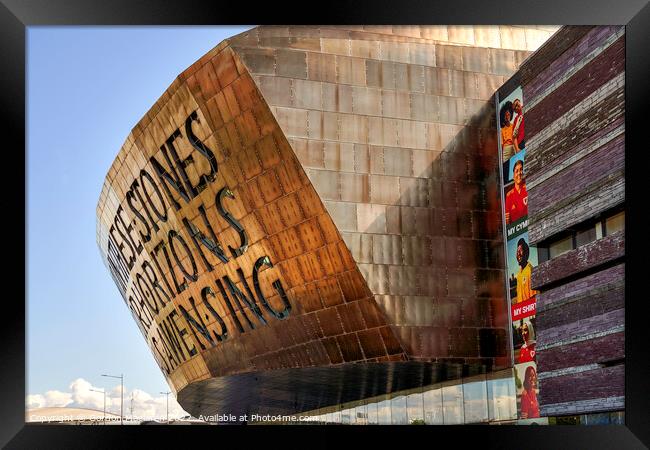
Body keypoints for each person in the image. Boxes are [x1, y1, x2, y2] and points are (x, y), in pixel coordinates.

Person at [515, 238, 537, 304]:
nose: (518, 254)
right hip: (521, 312)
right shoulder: (519, 274)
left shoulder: (531, 271)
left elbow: (534, 296)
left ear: (526, 253)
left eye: (520, 251)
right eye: (517, 252)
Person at [505, 159, 528, 224]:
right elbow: (507, 222)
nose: (519, 173)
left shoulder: (528, 187)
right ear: (513, 176)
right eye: (516, 171)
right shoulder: (509, 195)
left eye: (521, 170)